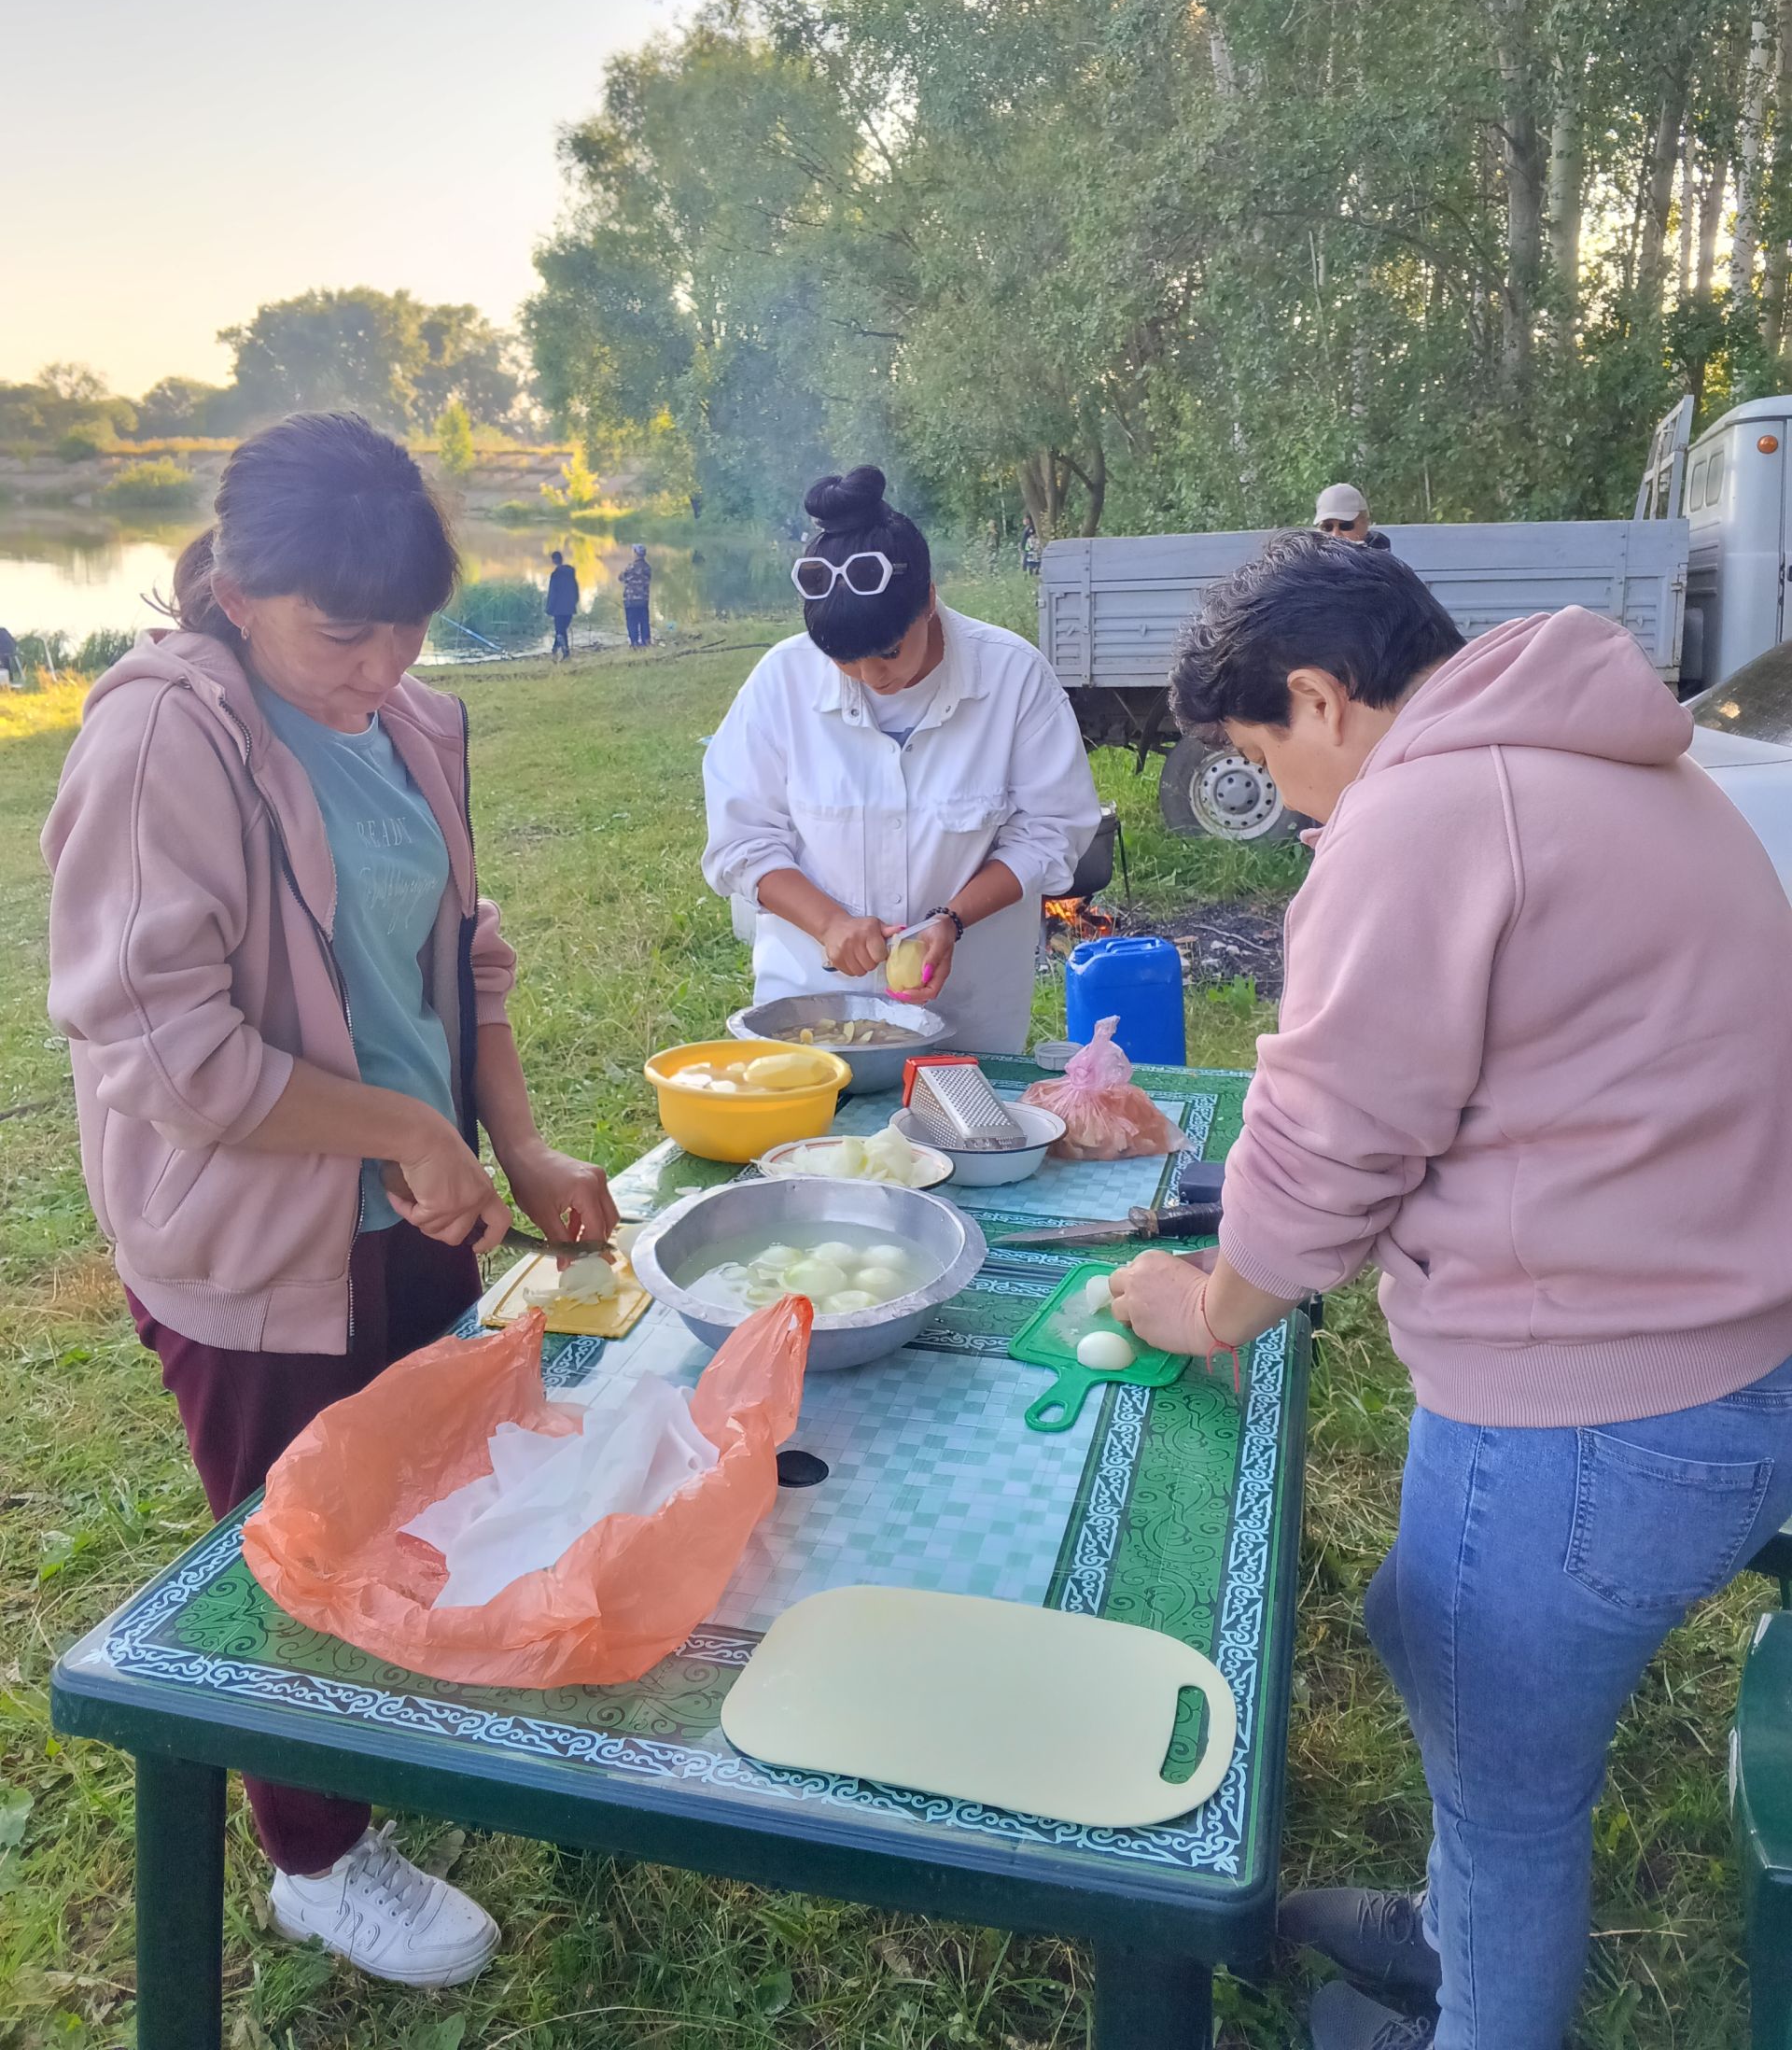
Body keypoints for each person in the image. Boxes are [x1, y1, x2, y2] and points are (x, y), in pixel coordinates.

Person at [1106, 533, 1792, 2050]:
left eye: (1258, 755)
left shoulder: (1425, 810)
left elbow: (1325, 1128)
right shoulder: (1596, 755)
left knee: (1507, 1792)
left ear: (1320, 698)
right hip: (1733, 1363)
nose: (1279, 798)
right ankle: (1449, 1936)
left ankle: (1482, 2006)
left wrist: (1209, 1309)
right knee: (1437, 1639)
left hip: (1597, 1404)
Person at [42, 413, 617, 1991]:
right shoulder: (169, 735)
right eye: (340, 632)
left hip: (414, 1221)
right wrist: (392, 1130)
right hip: (258, 1245)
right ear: (235, 588)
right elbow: (163, 1044)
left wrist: (520, 1147)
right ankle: (316, 1857)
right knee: (297, 1542)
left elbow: (466, 958)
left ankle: (400, 1745)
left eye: (409, 627)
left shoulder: (416, 726)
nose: (380, 663)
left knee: (423, 1495)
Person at [702, 467, 1099, 1054]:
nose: (871, 677)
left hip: (969, 1009)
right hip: (814, 1010)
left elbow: (1051, 832)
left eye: (888, 652)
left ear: (930, 601)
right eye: (844, 660)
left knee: (960, 1140)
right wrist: (830, 925)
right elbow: (742, 843)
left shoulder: (1013, 678)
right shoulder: (780, 683)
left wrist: (952, 920)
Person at [1313, 482, 1391, 547]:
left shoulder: (1383, 563)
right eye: (1327, 527)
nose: (1335, 535)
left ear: (1365, 523)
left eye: (1345, 526)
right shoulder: (1308, 560)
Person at [544, 547, 579, 659]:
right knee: (562, 630)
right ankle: (556, 651)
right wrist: (575, 602)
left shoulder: (555, 575)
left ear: (554, 560)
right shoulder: (571, 573)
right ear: (562, 559)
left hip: (558, 609)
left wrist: (549, 608)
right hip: (569, 607)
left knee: (560, 632)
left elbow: (553, 593)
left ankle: (564, 652)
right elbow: (576, 589)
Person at [621, 543, 652, 648]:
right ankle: (646, 642)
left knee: (632, 622)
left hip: (631, 600)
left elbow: (621, 578)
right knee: (644, 622)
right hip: (643, 600)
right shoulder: (648, 567)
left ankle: (634, 643)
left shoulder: (630, 567)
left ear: (636, 553)